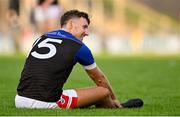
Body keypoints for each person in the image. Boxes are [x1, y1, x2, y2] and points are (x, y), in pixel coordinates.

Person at [15, 9, 143, 109]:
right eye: (84, 27)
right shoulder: (79, 47)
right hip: (46, 102)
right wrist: (114, 98)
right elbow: (99, 79)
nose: (87, 32)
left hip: (19, 99)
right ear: (71, 24)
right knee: (103, 92)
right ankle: (116, 105)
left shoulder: (42, 37)